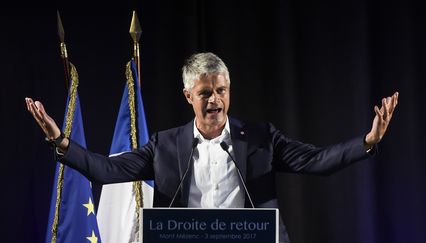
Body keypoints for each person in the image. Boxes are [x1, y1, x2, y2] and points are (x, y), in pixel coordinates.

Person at [25, 52, 398, 242]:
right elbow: (106, 170)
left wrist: (368, 141)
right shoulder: (165, 146)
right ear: (189, 96)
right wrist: (61, 141)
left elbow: (318, 161)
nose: (215, 100)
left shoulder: (261, 139)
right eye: (205, 93)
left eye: (221, 90)